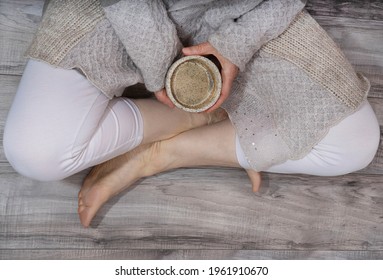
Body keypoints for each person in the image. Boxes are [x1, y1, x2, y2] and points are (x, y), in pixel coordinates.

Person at [3, 0, 380, 228]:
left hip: (242, 15)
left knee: (354, 144)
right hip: (110, 14)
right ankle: (201, 117)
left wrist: (237, 42)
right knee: (34, 155)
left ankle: (163, 151)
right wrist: (164, 72)